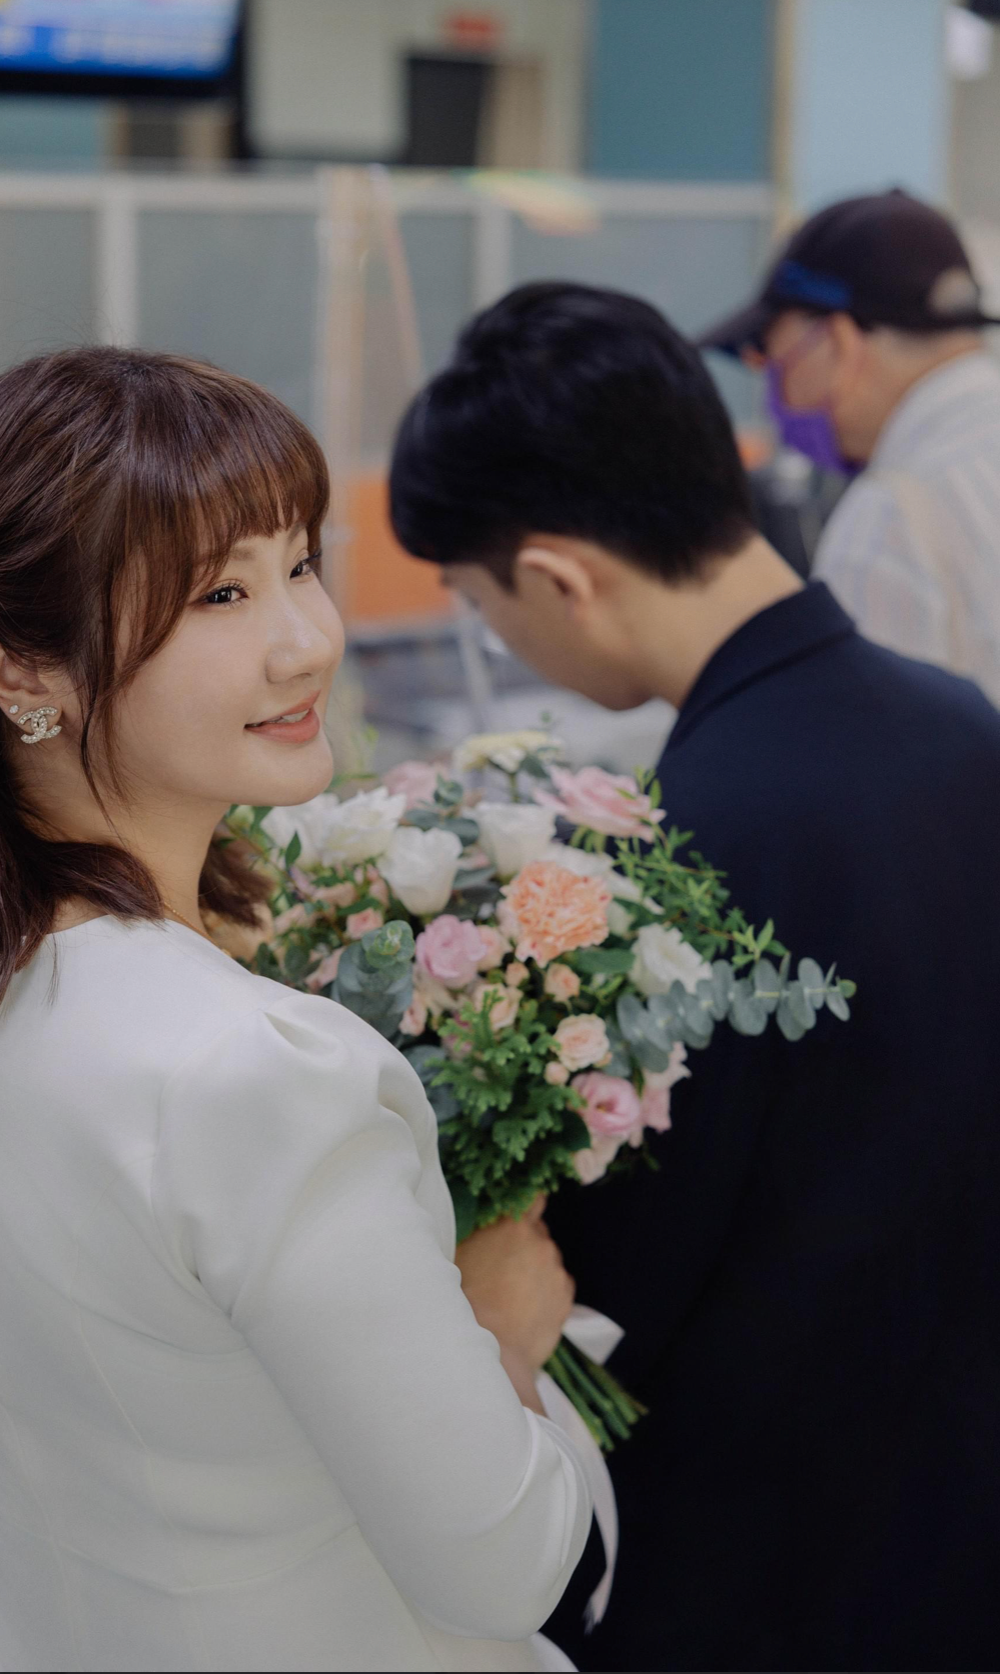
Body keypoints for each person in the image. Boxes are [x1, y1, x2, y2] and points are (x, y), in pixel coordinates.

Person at [0, 348, 592, 1674]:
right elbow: (506, 1563)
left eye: (299, 564)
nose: (307, 638)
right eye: (220, 592)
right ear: (17, 664)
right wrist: (499, 1333)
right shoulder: (253, 1073)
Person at [388, 281, 1000, 1674]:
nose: (498, 637)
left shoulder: (681, 856)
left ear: (557, 577)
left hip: (772, 1561)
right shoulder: (964, 726)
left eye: (479, 601)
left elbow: (616, 1285)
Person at [700, 188, 1000, 704]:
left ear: (838, 342)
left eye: (772, 358)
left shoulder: (894, 513)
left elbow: (870, 741)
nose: (775, 389)